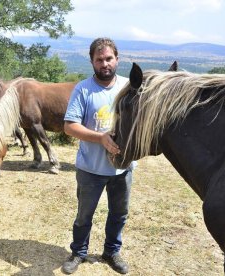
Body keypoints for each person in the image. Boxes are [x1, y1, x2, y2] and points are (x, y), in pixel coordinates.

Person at [62, 37, 136, 274]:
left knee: (119, 213)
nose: (105, 64)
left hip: (122, 168)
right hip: (90, 168)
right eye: (99, 59)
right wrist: (101, 137)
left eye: (109, 59)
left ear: (117, 59)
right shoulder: (83, 89)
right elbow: (69, 126)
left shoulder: (129, 87)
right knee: (84, 215)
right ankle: (78, 253)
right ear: (92, 62)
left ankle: (111, 252)